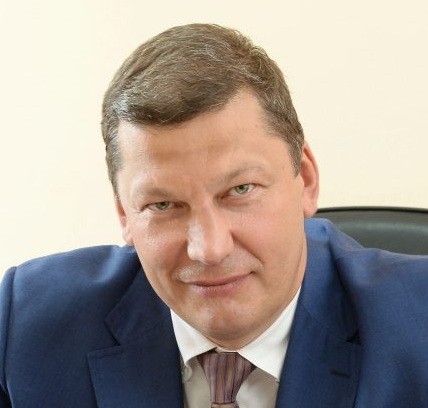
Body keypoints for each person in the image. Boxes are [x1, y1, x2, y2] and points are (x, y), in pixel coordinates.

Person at [0, 23, 427, 408]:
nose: (209, 249)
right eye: (163, 205)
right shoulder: (27, 324)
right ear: (124, 214)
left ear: (307, 179)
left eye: (240, 190)